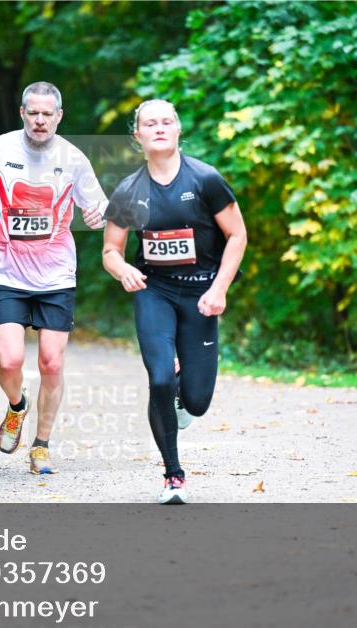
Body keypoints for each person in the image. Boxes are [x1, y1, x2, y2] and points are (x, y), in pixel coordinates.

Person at [102, 99, 248, 504]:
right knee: (160, 378)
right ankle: (173, 475)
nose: (160, 128)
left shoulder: (205, 179)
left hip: (201, 290)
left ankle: (185, 389)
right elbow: (111, 250)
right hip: (155, 291)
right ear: (138, 135)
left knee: (197, 403)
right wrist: (123, 271)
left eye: (167, 121)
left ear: (178, 129)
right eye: (151, 123)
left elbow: (237, 235)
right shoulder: (129, 190)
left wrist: (219, 289)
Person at [0, 82, 107, 474]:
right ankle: (16, 406)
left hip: (57, 275)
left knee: (51, 364)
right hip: (7, 270)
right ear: (22, 113)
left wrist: (97, 215)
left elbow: (100, 204)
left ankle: (41, 445)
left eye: (48, 114)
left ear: (59, 116)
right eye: (33, 113)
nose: (40, 120)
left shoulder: (73, 158)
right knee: (8, 360)